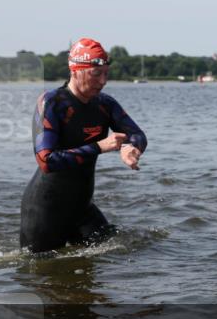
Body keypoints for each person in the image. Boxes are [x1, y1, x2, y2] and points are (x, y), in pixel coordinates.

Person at [20, 38, 147, 253]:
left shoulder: (105, 104)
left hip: (81, 208)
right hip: (45, 210)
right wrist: (99, 146)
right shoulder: (52, 103)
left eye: (106, 73)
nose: (103, 81)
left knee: (118, 252)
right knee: (43, 277)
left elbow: (136, 134)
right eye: (96, 74)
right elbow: (46, 160)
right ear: (75, 71)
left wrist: (131, 148)